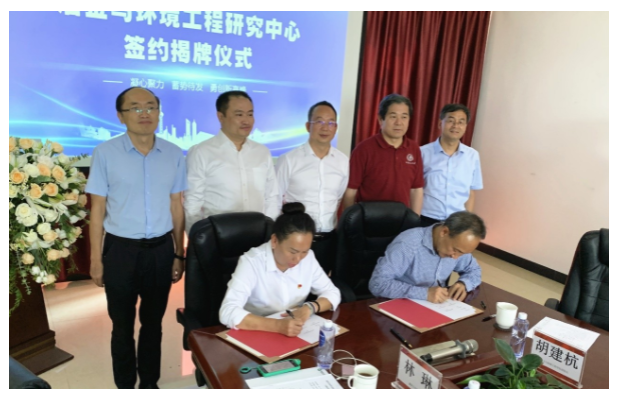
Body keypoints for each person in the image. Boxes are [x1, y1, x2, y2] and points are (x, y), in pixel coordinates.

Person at [87, 87, 187, 389]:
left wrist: (178, 253)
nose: (145, 113)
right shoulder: (105, 153)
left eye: (151, 107)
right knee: (121, 326)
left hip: (160, 250)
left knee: (153, 324)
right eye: (136, 107)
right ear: (121, 116)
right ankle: (125, 386)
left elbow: (176, 206)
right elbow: (97, 209)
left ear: (158, 112)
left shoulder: (173, 153)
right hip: (121, 251)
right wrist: (96, 259)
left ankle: (149, 385)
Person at [219, 203, 341, 337]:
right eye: (293, 251)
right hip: (259, 331)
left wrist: (310, 308)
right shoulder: (251, 262)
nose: (298, 259)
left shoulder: (308, 258)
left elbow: (332, 292)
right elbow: (228, 311)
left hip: (295, 331)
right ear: (275, 241)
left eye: (304, 251)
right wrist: (277, 326)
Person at [184, 91, 279, 234]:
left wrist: (270, 232)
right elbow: (193, 202)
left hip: (258, 235)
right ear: (220, 116)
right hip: (218, 237)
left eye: (250, 114)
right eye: (239, 115)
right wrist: (197, 238)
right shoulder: (201, 152)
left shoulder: (262, 152)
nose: (246, 121)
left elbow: (271, 196)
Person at [276, 101, 349, 273]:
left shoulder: (343, 161)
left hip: (327, 241)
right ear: (308, 126)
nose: (325, 127)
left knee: (320, 287)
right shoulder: (289, 160)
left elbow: (338, 197)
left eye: (330, 122)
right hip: (294, 242)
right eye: (319, 121)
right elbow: (275, 199)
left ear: (336, 128)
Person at [368, 211, 485, 303]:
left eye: (462, 253)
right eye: (455, 250)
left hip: (434, 307)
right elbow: (378, 284)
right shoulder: (408, 243)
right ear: (444, 232)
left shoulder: (459, 246)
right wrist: (424, 293)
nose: (456, 258)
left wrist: (464, 283)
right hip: (398, 305)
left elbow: (474, 270)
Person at [342, 94, 424, 215]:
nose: (399, 122)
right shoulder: (363, 149)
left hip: (401, 220)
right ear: (381, 119)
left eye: (404, 117)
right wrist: (350, 220)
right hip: (368, 220)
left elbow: (416, 189)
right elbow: (351, 191)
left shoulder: (414, 148)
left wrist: (414, 221)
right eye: (393, 116)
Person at [420, 104, 483, 227]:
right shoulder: (422, 153)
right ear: (440, 124)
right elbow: (414, 189)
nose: (455, 126)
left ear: (465, 126)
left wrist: (467, 221)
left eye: (461, 122)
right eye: (451, 120)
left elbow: (471, 192)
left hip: (458, 221)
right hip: (426, 218)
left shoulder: (472, 155)